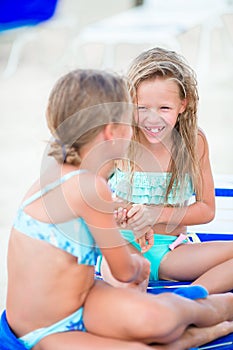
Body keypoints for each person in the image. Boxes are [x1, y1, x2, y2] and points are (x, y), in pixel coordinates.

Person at [2, 68, 233, 350]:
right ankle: (202, 324)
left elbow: (84, 237)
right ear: (113, 132)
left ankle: (201, 312)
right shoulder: (89, 187)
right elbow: (124, 271)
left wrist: (129, 226)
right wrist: (139, 263)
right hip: (46, 330)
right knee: (148, 335)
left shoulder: (53, 178)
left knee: (155, 318)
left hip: (85, 300)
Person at [101, 47, 233, 295]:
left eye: (164, 108)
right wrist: (116, 210)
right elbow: (86, 193)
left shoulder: (194, 141)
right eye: (142, 108)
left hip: (172, 250)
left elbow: (206, 209)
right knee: (127, 282)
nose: (153, 120)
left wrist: (155, 214)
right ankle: (150, 306)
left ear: (183, 105)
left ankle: (191, 298)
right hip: (122, 246)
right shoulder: (119, 139)